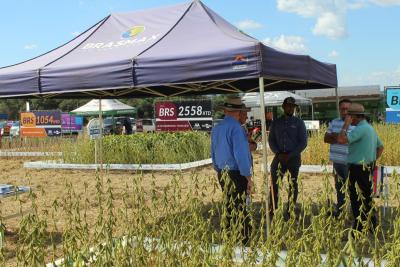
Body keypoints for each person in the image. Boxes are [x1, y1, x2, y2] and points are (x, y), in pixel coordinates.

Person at [211, 97, 253, 244]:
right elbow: (240, 155)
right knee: (241, 206)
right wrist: (248, 177)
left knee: (228, 203)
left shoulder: (217, 128)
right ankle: (242, 238)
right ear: (238, 111)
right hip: (236, 173)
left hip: (222, 172)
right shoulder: (236, 128)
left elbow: (213, 153)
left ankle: (228, 234)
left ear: (225, 111)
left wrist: (219, 169)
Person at [337, 103, 384, 232]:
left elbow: (341, 139)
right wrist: (372, 160)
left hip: (358, 168)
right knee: (366, 196)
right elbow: (381, 147)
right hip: (367, 166)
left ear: (353, 117)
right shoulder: (369, 128)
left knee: (357, 198)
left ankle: (359, 226)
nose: (348, 119)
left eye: (349, 116)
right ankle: (371, 224)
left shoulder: (360, 129)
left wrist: (346, 125)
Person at [268, 97, 307, 217]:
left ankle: (290, 210)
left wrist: (290, 155)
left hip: (293, 158)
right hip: (279, 157)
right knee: (274, 184)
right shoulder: (276, 122)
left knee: (293, 184)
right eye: (288, 106)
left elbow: (303, 143)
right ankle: (272, 210)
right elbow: (271, 140)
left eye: (292, 106)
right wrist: (278, 153)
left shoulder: (299, 123)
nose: (290, 108)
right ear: (283, 107)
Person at [324, 99, 354, 216]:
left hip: (351, 163)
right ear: (339, 110)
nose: (345, 111)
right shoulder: (334, 122)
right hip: (337, 162)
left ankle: (354, 212)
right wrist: (341, 137)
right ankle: (341, 211)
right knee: (339, 188)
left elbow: (351, 141)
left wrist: (336, 136)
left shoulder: (356, 123)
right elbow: (326, 138)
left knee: (353, 188)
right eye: (342, 109)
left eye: (347, 109)